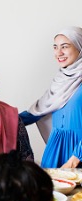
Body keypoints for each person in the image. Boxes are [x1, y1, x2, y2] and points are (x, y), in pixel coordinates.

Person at [20, 26, 82, 168]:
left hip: (77, 153)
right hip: (55, 150)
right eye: (55, 47)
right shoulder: (60, 82)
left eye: (65, 47)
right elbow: (37, 112)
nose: (58, 53)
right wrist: (0, 120)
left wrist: (77, 156)